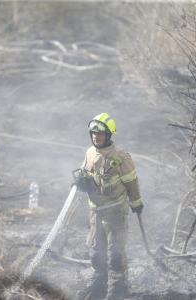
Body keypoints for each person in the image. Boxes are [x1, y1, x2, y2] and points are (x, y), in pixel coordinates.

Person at [73, 113, 144, 300]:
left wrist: (136, 203)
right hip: (96, 213)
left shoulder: (121, 157)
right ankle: (98, 284)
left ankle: (118, 289)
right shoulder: (89, 153)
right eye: (93, 133)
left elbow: (132, 183)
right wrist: (81, 182)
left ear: (109, 135)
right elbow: (87, 176)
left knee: (115, 254)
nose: (96, 136)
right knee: (96, 252)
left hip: (115, 215)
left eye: (101, 134)